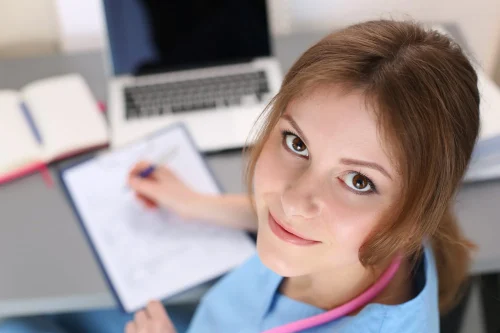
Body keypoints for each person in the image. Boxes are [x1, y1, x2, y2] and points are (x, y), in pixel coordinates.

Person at [0, 19, 480, 333]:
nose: (292, 201)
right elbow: (279, 207)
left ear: (417, 210)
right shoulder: (356, 241)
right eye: (297, 143)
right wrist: (197, 204)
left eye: (358, 182)